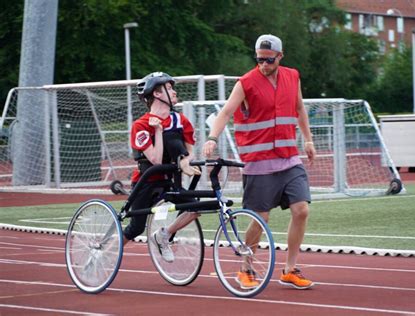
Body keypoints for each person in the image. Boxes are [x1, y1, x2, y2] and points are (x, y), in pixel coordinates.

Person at [202, 34, 316, 290]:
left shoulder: (292, 76)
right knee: (260, 219)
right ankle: (246, 266)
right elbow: (226, 113)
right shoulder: (246, 83)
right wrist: (212, 138)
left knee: (302, 210)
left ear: (280, 56)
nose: (263, 64)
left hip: (289, 157)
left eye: (269, 59)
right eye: (259, 59)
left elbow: (299, 108)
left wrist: (308, 140)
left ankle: (289, 269)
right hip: (259, 161)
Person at [123, 71, 200, 263]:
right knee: (136, 228)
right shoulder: (140, 125)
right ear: (156, 94)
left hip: (170, 181)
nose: (174, 92)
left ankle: (163, 235)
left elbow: (191, 151)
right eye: (169, 88)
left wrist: (185, 161)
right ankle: (107, 250)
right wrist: (157, 130)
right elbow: (156, 160)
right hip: (146, 182)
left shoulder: (180, 120)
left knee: (195, 207)